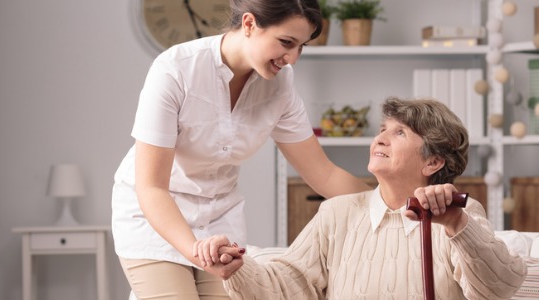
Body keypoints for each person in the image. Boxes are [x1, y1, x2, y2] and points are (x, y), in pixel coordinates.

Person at [111, 0, 463, 298]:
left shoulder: (279, 86)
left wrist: (404, 204)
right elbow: (152, 187)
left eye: (301, 46)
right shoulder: (176, 70)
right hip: (155, 216)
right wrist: (194, 250)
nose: (292, 57)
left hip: (218, 217)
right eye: (285, 42)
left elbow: (322, 173)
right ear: (249, 24)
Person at [202, 97, 527, 299]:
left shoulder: (461, 213)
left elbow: (498, 288)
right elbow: (289, 285)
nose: (381, 139)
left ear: (433, 162)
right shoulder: (336, 214)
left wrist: (456, 224)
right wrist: (238, 268)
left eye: (399, 133)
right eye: (383, 129)